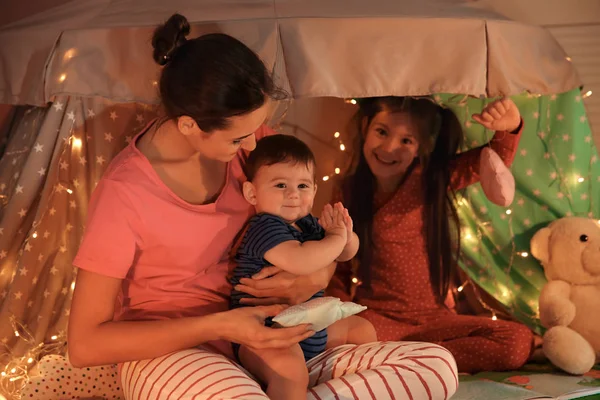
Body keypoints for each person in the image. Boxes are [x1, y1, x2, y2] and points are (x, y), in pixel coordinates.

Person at [68, 14, 458, 400]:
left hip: (271, 334)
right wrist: (223, 325)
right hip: (176, 351)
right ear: (189, 125)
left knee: (436, 366)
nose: (253, 147)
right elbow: (85, 345)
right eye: (239, 139)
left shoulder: (253, 150)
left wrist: (315, 277)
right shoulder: (125, 192)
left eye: (256, 130)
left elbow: (308, 233)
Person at [325, 96, 534, 374]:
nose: (389, 147)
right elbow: (338, 266)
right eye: (382, 132)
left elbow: (488, 162)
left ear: (420, 147)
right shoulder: (348, 191)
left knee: (517, 342)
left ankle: (408, 359)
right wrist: (336, 313)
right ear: (365, 128)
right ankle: (416, 360)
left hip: (433, 322)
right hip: (375, 320)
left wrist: (509, 128)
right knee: (327, 339)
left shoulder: (430, 180)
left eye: (406, 141)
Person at [230, 134, 376, 400]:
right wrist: (334, 238)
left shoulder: (308, 223)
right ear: (252, 193)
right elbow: (300, 261)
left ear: (314, 191)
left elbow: (347, 253)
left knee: (361, 329)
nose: (293, 195)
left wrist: (345, 233)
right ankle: (290, 387)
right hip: (264, 332)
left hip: (309, 327)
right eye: (281, 185)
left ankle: (340, 387)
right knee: (290, 371)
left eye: (303, 186)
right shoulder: (265, 226)